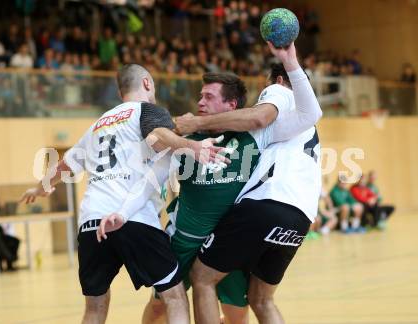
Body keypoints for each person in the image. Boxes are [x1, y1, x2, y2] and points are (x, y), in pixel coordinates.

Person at [99, 43, 322, 324]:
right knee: (159, 306)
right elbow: (150, 175)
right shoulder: (183, 142)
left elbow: (282, 117)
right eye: (200, 96)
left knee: (237, 312)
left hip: (230, 233)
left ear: (231, 105)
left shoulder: (257, 136)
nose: (200, 102)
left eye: (208, 96)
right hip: (184, 239)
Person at [19, 64, 224, 324]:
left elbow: (64, 165)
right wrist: (192, 146)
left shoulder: (96, 126)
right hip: (133, 219)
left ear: (119, 91)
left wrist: (40, 188)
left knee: (94, 308)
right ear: (147, 83)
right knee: (173, 296)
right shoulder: (147, 111)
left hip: (91, 223)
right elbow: (159, 133)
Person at [174, 42, 323, 324]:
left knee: (202, 278)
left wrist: (195, 124)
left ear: (278, 81)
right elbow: (311, 113)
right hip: (301, 219)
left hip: (266, 204)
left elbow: (257, 116)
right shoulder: (304, 127)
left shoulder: (280, 91)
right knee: (262, 299)